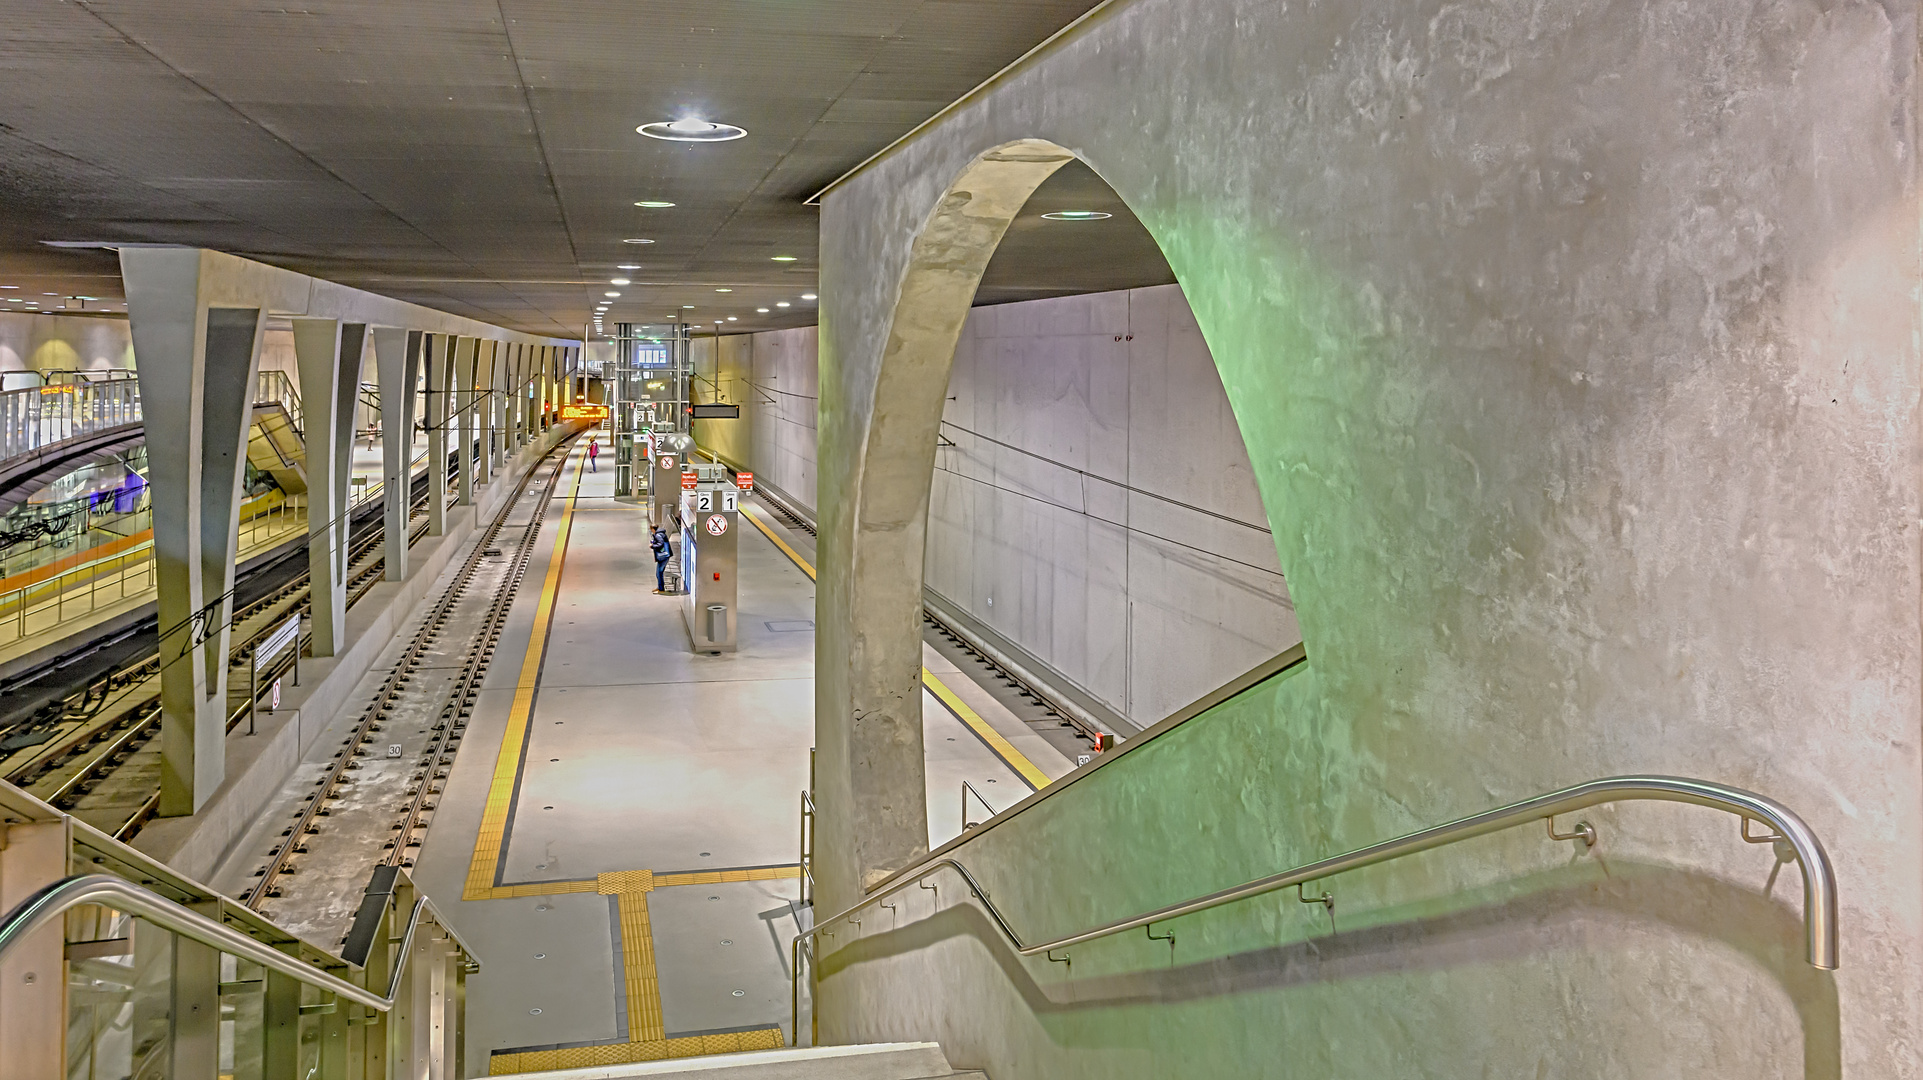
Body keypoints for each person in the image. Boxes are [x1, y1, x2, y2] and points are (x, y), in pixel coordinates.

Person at [651, 525, 672, 593]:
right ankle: (660, 587)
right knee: (659, 573)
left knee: (659, 573)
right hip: (664, 556)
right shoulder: (661, 534)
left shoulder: (658, 535)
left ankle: (661, 589)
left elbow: (660, 543)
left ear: (653, 529)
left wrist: (652, 546)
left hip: (663, 556)